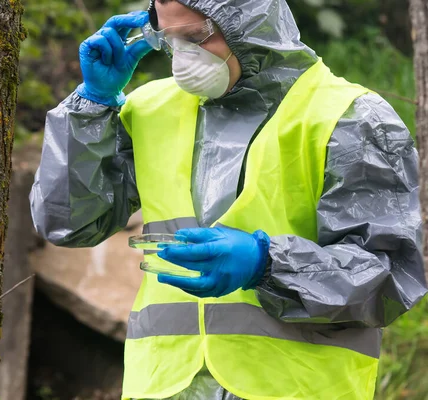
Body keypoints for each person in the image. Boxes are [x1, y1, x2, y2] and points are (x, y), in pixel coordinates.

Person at [30, 0, 428, 399]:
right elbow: (68, 222)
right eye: (169, 39)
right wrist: (93, 104)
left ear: (250, 24)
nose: (183, 57)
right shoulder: (150, 109)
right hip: (167, 386)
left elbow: (389, 277)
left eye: (195, 37)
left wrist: (267, 264)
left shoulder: (349, 118)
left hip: (296, 387)